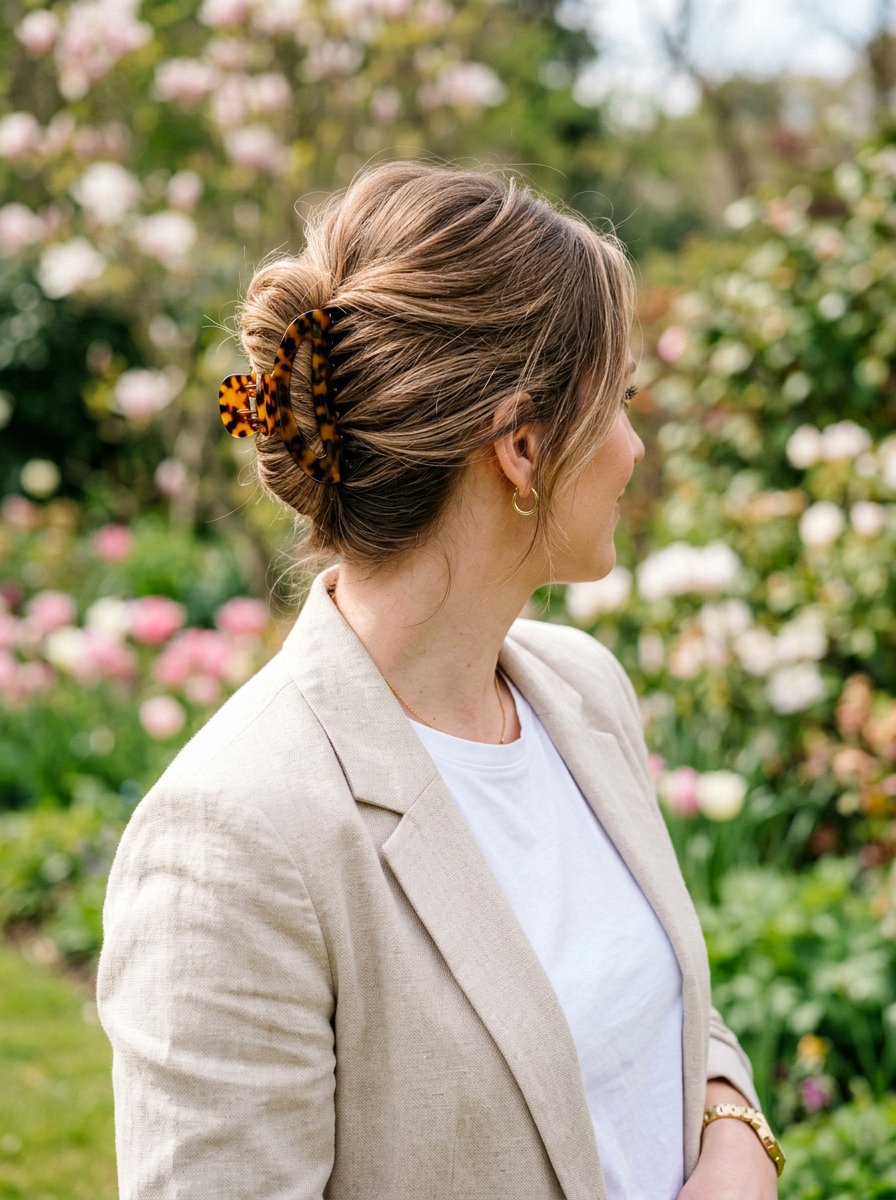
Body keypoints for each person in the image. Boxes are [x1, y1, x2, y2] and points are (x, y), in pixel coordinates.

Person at [97, 161, 783, 1200]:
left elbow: (661, 1015)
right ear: (521, 445)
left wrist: (735, 1134)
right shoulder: (232, 841)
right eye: (622, 400)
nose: (637, 448)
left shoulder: (581, 693)